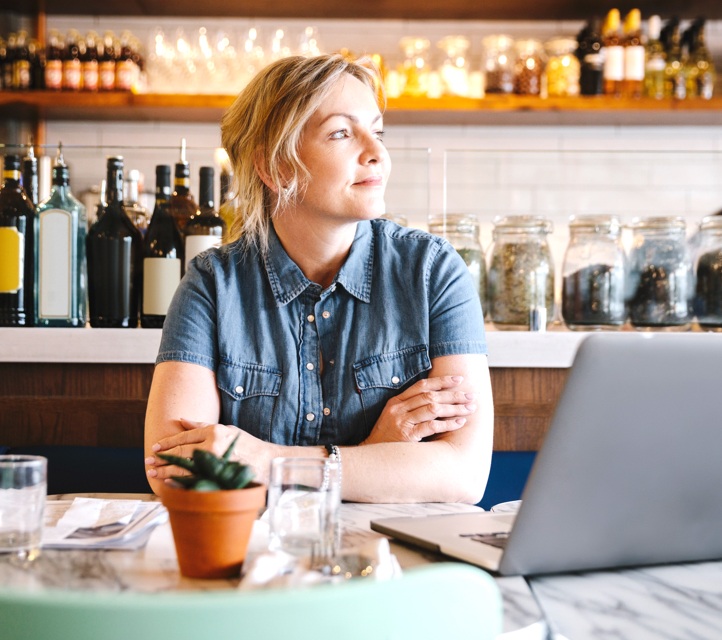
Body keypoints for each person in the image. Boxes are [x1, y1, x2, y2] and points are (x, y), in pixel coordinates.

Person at [144, 53, 494, 504]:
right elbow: (177, 473)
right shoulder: (212, 284)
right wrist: (374, 453)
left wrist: (268, 461)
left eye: (378, 130)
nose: (378, 152)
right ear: (275, 167)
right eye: (342, 133)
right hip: (256, 565)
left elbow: (463, 476)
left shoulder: (433, 271)